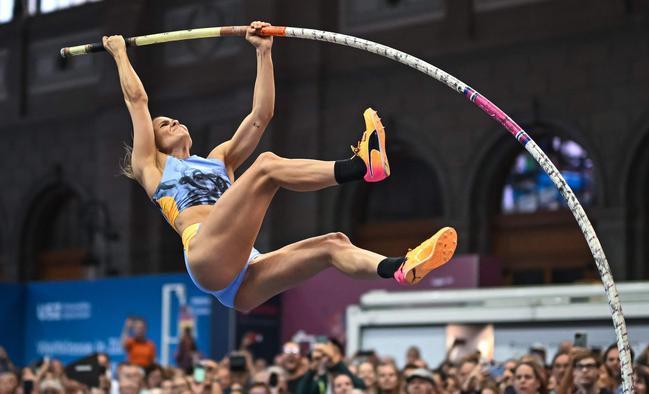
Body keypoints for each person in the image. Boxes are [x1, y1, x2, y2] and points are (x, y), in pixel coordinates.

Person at [102, 22, 457, 314]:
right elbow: (138, 100)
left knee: (333, 245)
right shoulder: (152, 166)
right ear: (154, 139)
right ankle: (361, 167)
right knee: (267, 167)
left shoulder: (220, 159)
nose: (173, 122)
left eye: (172, 120)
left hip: (243, 275)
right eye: (164, 125)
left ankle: (399, 267)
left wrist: (263, 52)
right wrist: (120, 53)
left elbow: (261, 116)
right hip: (206, 257)